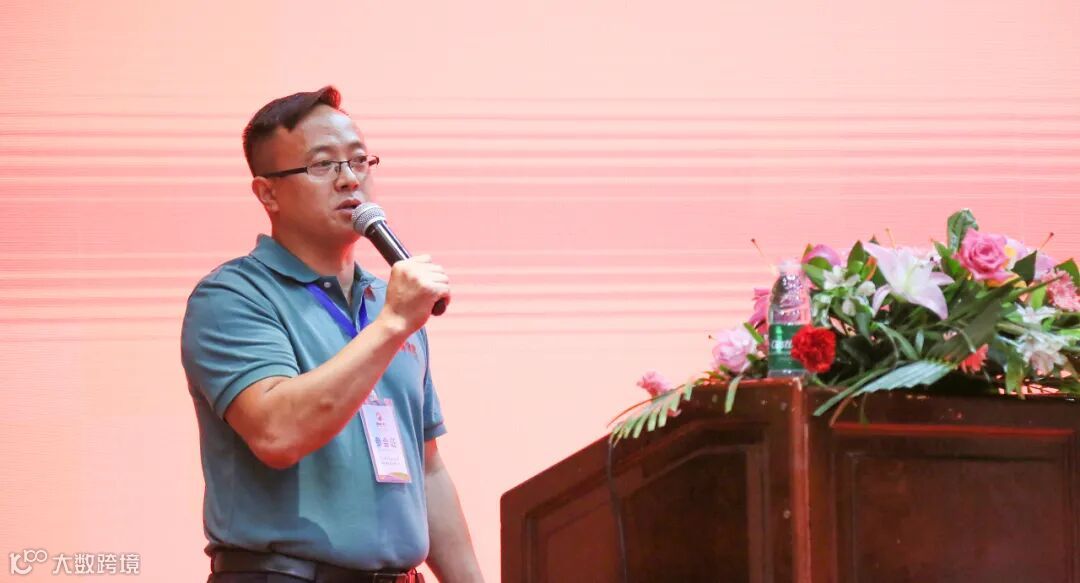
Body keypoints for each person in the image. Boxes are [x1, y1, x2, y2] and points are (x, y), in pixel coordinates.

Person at [181, 86, 484, 583]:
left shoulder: (388, 301)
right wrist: (392, 325)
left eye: (360, 160)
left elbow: (427, 469)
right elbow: (277, 433)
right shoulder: (233, 296)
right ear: (268, 193)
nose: (349, 179)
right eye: (323, 165)